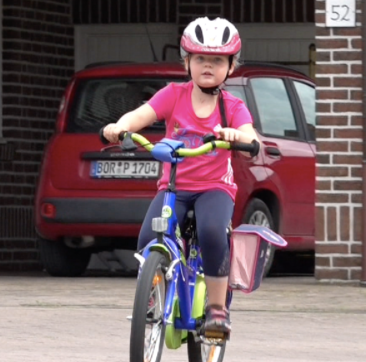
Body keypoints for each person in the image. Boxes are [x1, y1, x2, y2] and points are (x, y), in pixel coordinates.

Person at [102, 17, 259, 334]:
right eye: (200, 58)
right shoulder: (173, 95)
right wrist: (119, 128)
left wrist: (237, 136)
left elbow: (249, 138)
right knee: (148, 238)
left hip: (214, 189)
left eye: (217, 60)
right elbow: (139, 116)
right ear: (187, 61)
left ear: (231, 67)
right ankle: (152, 296)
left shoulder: (233, 106)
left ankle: (216, 310)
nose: (207, 66)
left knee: (214, 232)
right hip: (174, 187)